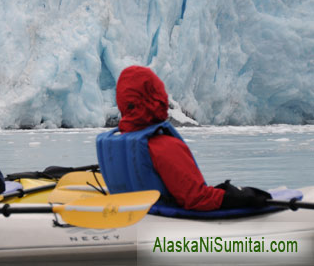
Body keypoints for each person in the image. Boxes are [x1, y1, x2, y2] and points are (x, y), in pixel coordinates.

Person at [96, 65, 271, 211]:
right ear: (157, 97)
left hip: (136, 217)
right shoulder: (162, 146)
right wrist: (245, 197)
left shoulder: (118, 141)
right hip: (167, 219)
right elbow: (196, 198)